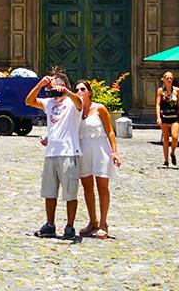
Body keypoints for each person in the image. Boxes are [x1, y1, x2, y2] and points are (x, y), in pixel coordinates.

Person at [26, 71, 84, 242]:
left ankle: (70, 226)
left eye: (54, 90)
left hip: (68, 151)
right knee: (49, 191)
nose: (52, 93)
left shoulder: (72, 103)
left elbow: (80, 102)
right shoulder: (49, 103)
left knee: (70, 192)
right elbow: (28, 101)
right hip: (51, 152)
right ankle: (50, 224)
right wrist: (39, 85)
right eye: (49, 90)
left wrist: (66, 92)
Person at [74, 79, 120, 238]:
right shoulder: (75, 111)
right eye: (77, 90)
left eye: (82, 89)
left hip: (101, 150)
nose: (80, 92)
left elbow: (110, 131)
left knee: (102, 185)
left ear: (89, 92)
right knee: (87, 186)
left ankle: (103, 223)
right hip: (84, 151)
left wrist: (114, 152)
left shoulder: (100, 108)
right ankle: (93, 221)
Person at [155, 71, 179, 168]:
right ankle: (166, 160)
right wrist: (158, 117)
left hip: (174, 116)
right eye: (167, 78)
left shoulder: (177, 90)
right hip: (164, 116)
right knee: (166, 139)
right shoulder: (160, 91)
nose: (169, 80)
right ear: (164, 80)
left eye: (171, 78)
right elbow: (157, 104)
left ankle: (173, 152)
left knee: (175, 137)